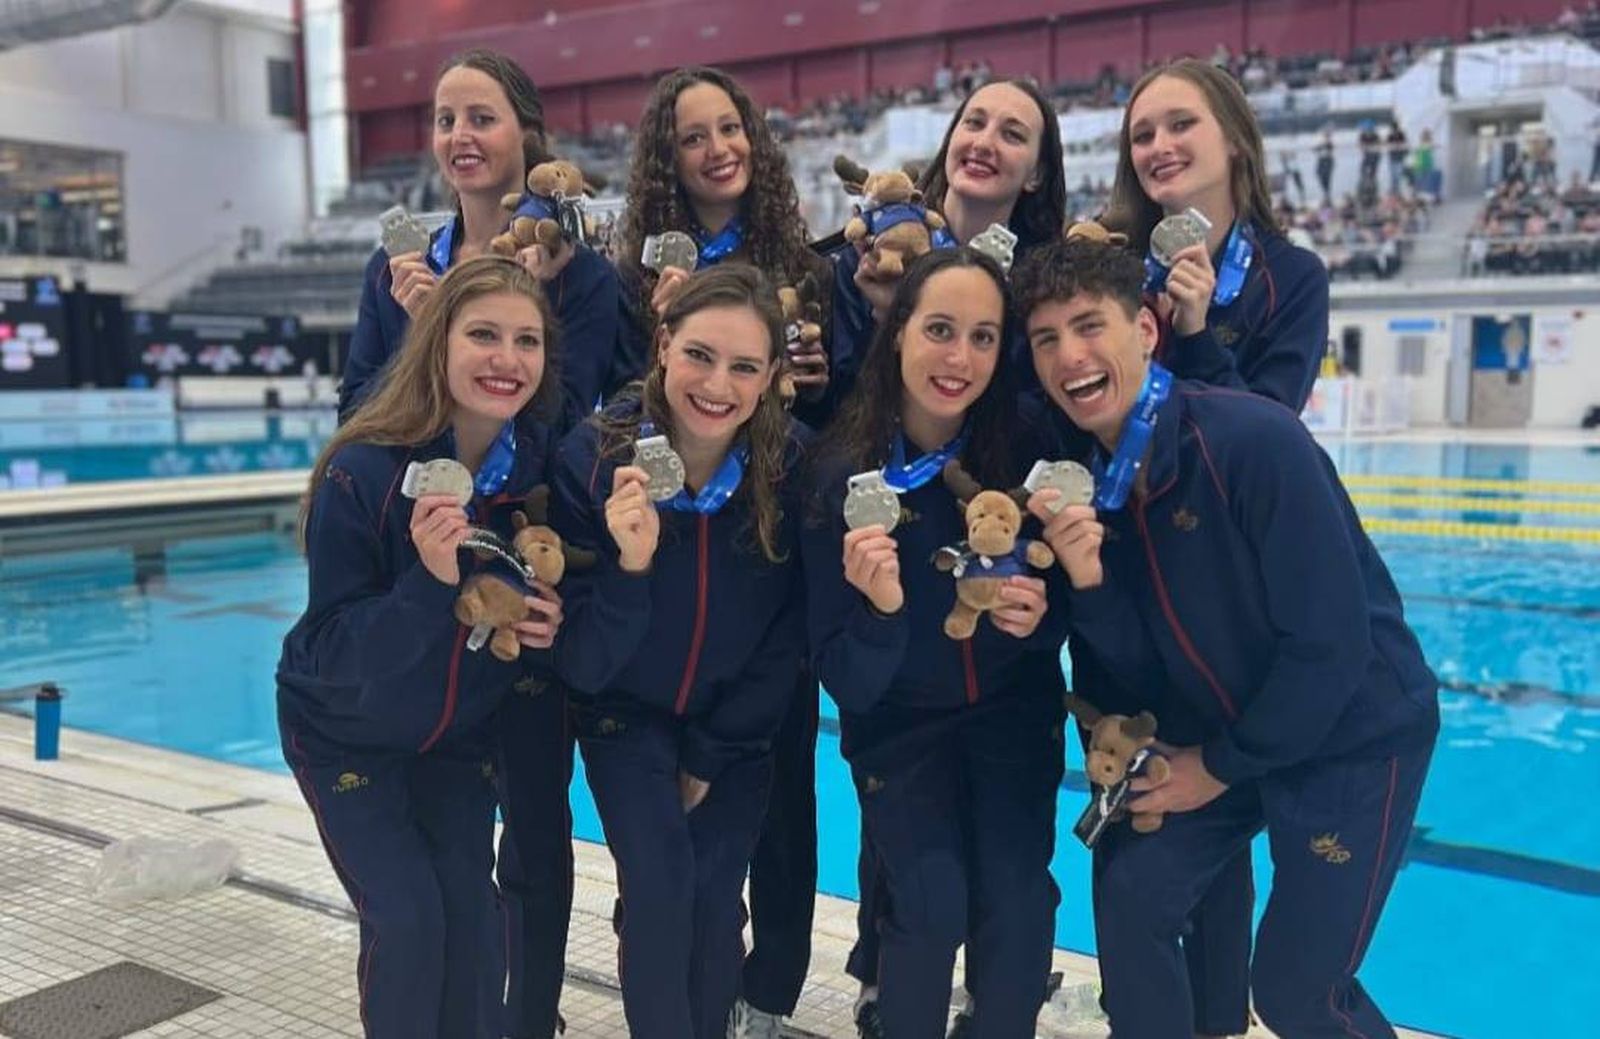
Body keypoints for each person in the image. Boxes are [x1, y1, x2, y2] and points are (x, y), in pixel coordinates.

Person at [1018, 231, 1438, 1039]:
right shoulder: (1094, 486)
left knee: (1296, 992)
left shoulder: (1251, 442)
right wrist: (1092, 581)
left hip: (1351, 737)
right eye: (1046, 339)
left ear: (1146, 329)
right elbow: (1145, 659)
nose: (1070, 355)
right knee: (1133, 894)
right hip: (1232, 731)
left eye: (1089, 324)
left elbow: (1331, 647)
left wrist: (1216, 767)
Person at [278, 256, 567, 1039]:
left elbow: (528, 606)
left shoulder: (532, 474)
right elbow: (331, 650)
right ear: (438, 341)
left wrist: (543, 629)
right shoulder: (363, 469)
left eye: (527, 340)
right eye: (484, 335)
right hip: (344, 732)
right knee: (408, 921)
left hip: (452, 742)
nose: (508, 359)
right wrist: (429, 584)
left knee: (475, 930)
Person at [1102, 56, 1332, 1038]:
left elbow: (1268, 435)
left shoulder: (1290, 278)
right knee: (1139, 855)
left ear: (1234, 137)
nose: (1158, 146)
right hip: (1128, 597)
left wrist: (1196, 336)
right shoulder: (1114, 263)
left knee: (1223, 842)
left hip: (1231, 603)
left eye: (1179, 124)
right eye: (1141, 133)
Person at [806, 248, 1064, 1038]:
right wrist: (882, 613)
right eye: (941, 330)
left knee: (1019, 905)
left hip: (1012, 715)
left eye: (983, 337)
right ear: (899, 333)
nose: (960, 358)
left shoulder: (1027, 450)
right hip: (900, 728)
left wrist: (1041, 616)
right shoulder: (840, 474)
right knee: (928, 904)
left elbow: (1074, 605)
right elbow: (845, 680)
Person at [548, 265, 808, 1039]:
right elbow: (580, 663)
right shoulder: (591, 461)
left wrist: (713, 748)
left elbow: (789, 637)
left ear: (773, 376)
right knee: (660, 891)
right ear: (662, 343)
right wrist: (629, 570)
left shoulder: (790, 468)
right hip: (623, 717)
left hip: (735, 727)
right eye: (699, 354)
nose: (717, 385)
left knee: (717, 901)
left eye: (744, 366)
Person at [339, 48, 622, 435]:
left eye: (482, 119)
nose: (459, 135)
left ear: (527, 135)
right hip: (413, 475)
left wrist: (447, 329)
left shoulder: (580, 274)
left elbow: (563, 429)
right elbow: (354, 416)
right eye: (446, 121)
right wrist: (428, 339)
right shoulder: (394, 270)